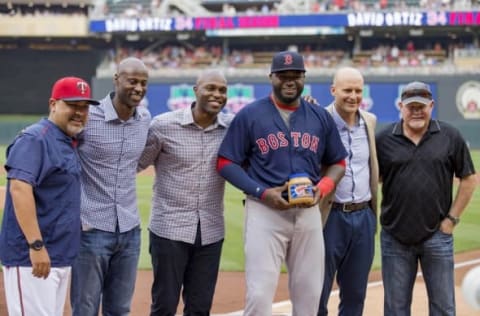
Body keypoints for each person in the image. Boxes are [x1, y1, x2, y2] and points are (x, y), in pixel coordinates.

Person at [216, 51, 348, 316]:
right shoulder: (251, 114)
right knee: (259, 296)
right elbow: (225, 163)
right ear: (271, 78)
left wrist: (321, 189)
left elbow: (338, 163)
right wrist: (262, 193)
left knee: (309, 296)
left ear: (304, 78)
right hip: (265, 212)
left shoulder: (319, 116)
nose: (290, 81)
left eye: (296, 76)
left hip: (308, 212)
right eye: (283, 76)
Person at [376, 81, 477, 315]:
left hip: (437, 237)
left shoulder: (450, 135)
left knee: (443, 308)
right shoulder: (383, 139)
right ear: (400, 106)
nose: (416, 111)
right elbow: (374, 179)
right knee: (395, 309)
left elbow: (469, 179)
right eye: (411, 106)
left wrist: (451, 220)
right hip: (395, 237)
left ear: (431, 105)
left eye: (422, 106)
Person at [0, 76, 99, 316]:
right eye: (72, 105)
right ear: (53, 104)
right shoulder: (36, 139)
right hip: (32, 258)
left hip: (59, 254)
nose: (79, 112)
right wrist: (36, 245)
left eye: (84, 107)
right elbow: (19, 189)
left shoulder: (67, 140)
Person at [137, 69, 233, 316]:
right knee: (164, 306)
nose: (217, 94)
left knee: (200, 308)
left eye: (222, 90)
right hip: (169, 230)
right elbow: (137, 164)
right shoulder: (163, 126)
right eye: (210, 88)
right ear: (195, 90)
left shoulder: (231, 127)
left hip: (211, 232)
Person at [70, 57, 151, 316]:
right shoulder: (87, 116)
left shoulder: (145, 119)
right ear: (116, 79)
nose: (138, 88)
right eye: (132, 81)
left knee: (120, 309)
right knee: (85, 308)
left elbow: (135, 164)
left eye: (143, 83)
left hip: (129, 230)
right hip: (91, 228)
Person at [318, 67, 378, 316]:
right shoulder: (319, 120)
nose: (353, 96)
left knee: (355, 294)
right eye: (347, 90)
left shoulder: (369, 121)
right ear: (333, 91)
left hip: (363, 215)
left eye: (358, 90)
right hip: (329, 216)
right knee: (316, 291)